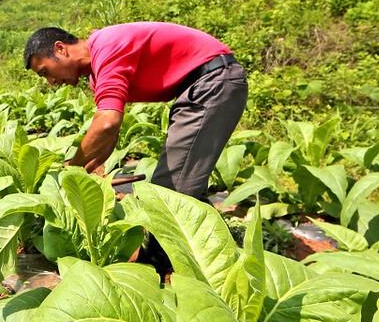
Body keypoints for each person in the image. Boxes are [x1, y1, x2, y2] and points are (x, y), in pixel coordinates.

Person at [24, 22, 248, 270]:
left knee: (170, 191)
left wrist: (72, 168)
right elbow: (110, 134)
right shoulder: (97, 76)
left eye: (45, 72)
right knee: (183, 181)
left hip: (212, 80)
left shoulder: (107, 46)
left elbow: (107, 122)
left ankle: (157, 267)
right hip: (198, 88)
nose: (51, 82)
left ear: (60, 49)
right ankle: (221, 251)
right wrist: (92, 168)